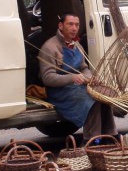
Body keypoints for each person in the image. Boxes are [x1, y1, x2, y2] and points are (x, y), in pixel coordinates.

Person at [38, 12, 117, 144]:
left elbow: (83, 68)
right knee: (91, 100)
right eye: (70, 24)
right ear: (61, 26)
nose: (74, 28)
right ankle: (91, 140)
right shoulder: (50, 47)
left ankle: (110, 136)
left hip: (76, 87)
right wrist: (72, 78)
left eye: (77, 25)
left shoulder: (77, 46)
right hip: (59, 92)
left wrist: (90, 77)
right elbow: (47, 78)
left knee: (102, 96)